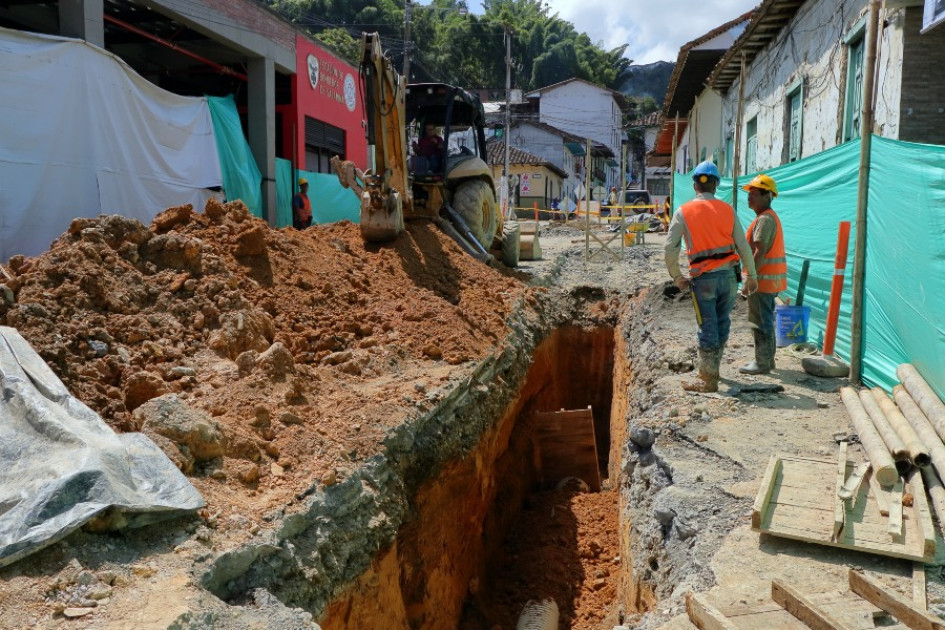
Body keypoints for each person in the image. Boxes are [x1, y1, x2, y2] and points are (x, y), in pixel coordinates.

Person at [664, 161, 758, 392]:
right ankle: (715, 369)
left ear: (695, 184)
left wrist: (677, 277)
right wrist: (752, 275)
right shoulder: (727, 210)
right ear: (716, 185)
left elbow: (670, 249)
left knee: (707, 325)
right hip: (729, 278)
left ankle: (708, 380)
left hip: (703, 278)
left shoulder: (683, 212)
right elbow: (743, 246)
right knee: (722, 320)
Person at [739, 174, 787, 375]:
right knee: (765, 319)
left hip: (762, 281)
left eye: (755, 194)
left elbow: (760, 251)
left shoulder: (765, 220)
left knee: (761, 322)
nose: (750, 198)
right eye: (749, 194)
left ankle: (762, 363)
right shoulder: (765, 218)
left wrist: (750, 278)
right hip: (767, 280)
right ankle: (767, 360)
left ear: (768, 196)